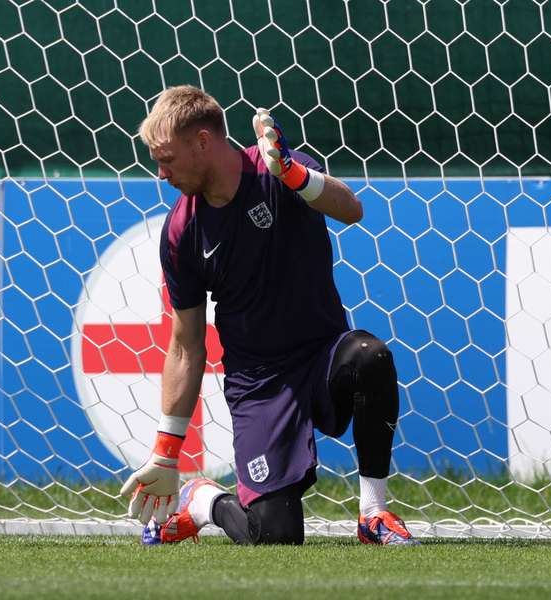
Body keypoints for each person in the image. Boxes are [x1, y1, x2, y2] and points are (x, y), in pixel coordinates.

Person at [120, 85, 416, 546]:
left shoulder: (277, 167)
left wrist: (293, 175)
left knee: (370, 356)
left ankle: (374, 514)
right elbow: (185, 346)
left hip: (322, 356)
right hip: (259, 385)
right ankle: (204, 502)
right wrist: (166, 450)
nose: (160, 173)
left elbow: (351, 209)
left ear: (203, 142)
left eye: (167, 159)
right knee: (274, 536)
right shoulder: (181, 230)